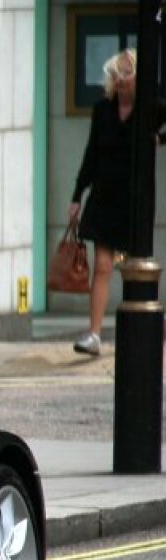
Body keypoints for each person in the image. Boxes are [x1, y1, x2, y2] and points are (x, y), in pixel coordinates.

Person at [67, 48, 166, 357]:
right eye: (117, 74)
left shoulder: (150, 110)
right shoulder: (103, 110)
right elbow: (91, 156)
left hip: (134, 200)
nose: (121, 81)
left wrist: (159, 140)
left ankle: (139, 333)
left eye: (128, 74)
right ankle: (94, 335)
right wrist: (76, 197)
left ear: (139, 78)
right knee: (104, 266)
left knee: (134, 269)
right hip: (104, 197)